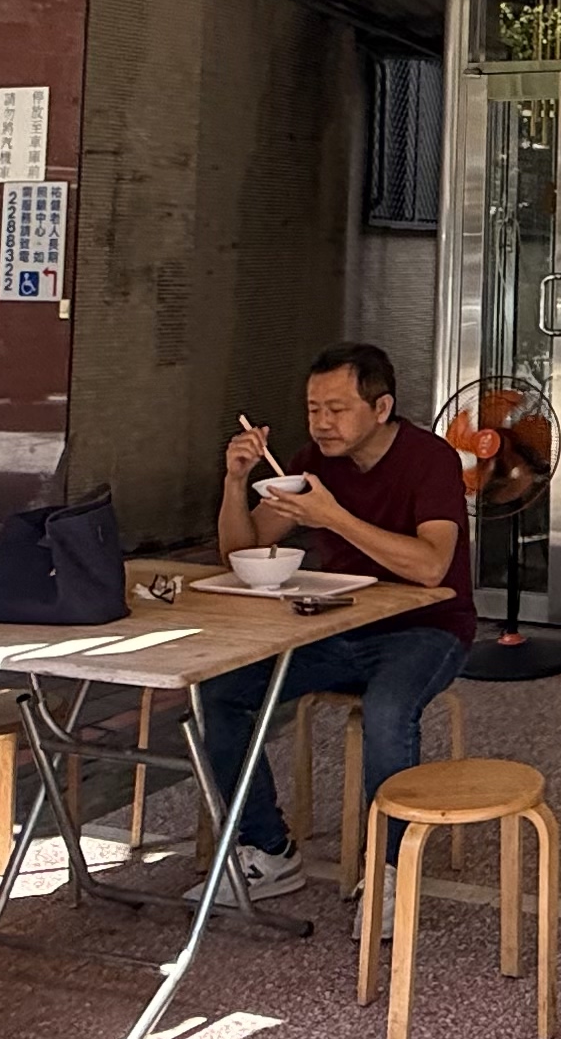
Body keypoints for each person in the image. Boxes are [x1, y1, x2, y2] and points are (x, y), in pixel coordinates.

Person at [196, 342, 475, 904]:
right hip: (335, 626)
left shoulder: (430, 458)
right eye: (313, 409)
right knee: (219, 689)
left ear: (381, 407)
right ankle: (269, 849)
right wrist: (234, 482)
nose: (322, 423)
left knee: (388, 710)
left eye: (337, 409)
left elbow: (431, 566)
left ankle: (390, 872)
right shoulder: (312, 464)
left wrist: (334, 517)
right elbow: (240, 553)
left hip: (428, 627)